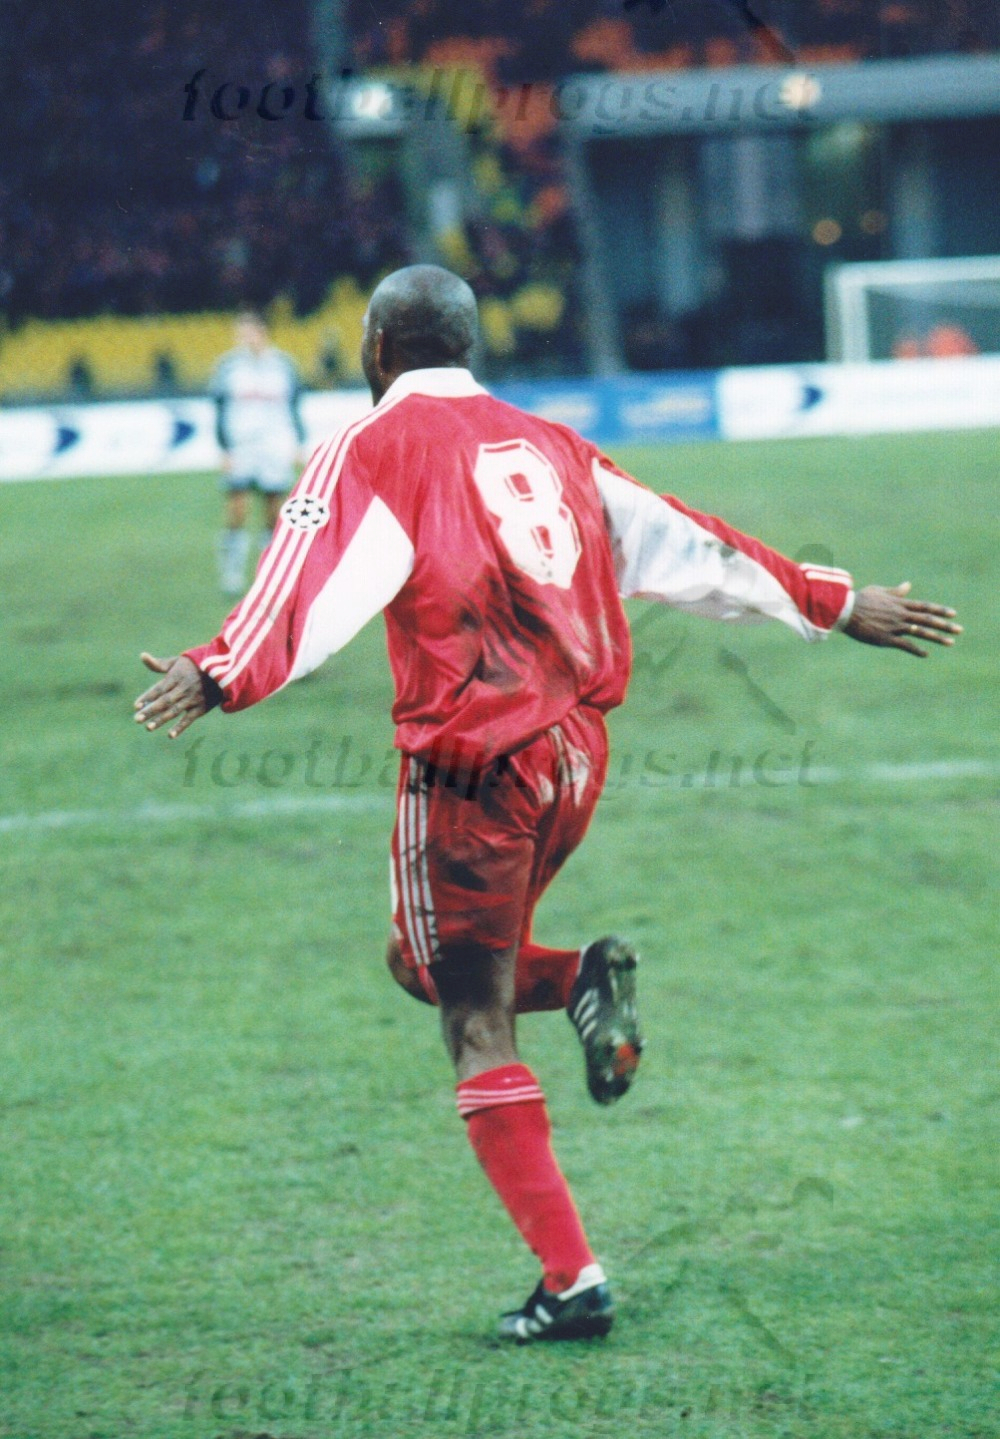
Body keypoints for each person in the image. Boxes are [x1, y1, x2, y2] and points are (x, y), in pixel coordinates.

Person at [134, 265, 962, 1343]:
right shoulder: (552, 443)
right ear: (470, 345)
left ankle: (572, 1279)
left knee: (470, 1014)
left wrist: (217, 668)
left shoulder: (373, 446)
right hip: (574, 756)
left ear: (377, 349)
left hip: (474, 766)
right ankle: (578, 979)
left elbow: (310, 580)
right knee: (424, 960)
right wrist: (836, 599)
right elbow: (688, 542)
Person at [209, 309, 308, 595]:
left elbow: (294, 408)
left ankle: (269, 573)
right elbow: (219, 409)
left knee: (273, 509)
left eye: (249, 331)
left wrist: (298, 443)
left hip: (274, 446)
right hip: (242, 446)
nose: (244, 337)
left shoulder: (284, 365)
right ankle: (232, 572)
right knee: (236, 507)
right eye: (240, 332)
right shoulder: (227, 367)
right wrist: (224, 448)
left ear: (262, 331)